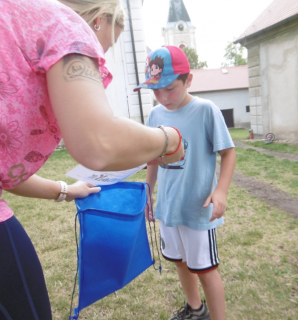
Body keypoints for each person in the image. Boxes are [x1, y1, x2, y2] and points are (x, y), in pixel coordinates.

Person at [0, 1, 184, 319]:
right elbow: (98, 143)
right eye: (105, 47)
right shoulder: (69, 26)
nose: (99, 59)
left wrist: (67, 190)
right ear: (98, 21)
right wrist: (169, 140)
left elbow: (9, 175)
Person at [136, 46, 236, 320]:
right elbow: (153, 160)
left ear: (188, 80)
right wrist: (148, 193)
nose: (163, 97)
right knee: (179, 262)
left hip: (197, 207)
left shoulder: (206, 110)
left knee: (204, 268)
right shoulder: (156, 115)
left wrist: (221, 191)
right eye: (156, 91)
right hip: (169, 207)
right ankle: (196, 309)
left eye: (170, 88)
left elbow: (228, 152)